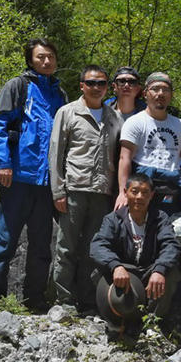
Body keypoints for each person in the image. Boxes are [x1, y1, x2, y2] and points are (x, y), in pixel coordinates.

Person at [0, 38, 67, 312]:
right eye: (41, 57)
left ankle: (35, 299)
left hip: (46, 183)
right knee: (5, 240)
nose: (46, 61)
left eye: (50, 56)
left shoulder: (60, 95)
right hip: (17, 178)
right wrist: (3, 162)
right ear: (30, 60)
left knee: (42, 244)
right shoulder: (18, 87)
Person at [48, 65, 123, 315]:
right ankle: (64, 300)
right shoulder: (68, 113)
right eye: (91, 83)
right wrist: (58, 191)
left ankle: (89, 300)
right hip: (74, 189)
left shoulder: (114, 117)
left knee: (94, 249)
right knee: (66, 247)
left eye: (101, 83)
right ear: (82, 86)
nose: (96, 87)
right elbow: (56, 153)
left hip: (102, 192)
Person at [90, 173, 181, 339]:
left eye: (145, 192)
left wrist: (160, 270)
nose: (139, 197)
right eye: (134, 191)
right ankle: (117, 322)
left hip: (149, 270)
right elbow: (98, 245)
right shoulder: (113, 219)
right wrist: (115, 266)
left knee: (171, 272)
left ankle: (152, 322)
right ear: (125, 192)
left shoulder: (160, 218)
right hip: (124, 271)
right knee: (102, 274)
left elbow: (171, 245)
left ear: (152, 195)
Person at [114, 72, 181, 214]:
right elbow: (125, 158)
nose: (161, 93)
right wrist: (122, 192)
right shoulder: (135, 122)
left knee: (169, 232)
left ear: (171, 95)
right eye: (155, 89)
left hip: (171, 186)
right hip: (142, 187)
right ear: (145, 94)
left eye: (165, 89)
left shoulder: (179, 124)